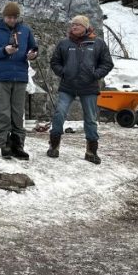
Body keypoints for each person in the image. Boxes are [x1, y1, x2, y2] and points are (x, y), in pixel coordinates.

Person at [46, 15, 114, 164]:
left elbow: (107, 63)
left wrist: (96, 74)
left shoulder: (98, 43)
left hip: (89, 87)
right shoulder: (64, 43)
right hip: (67, 86)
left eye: (77, 25)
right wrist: (63, 72)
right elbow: (55, 62)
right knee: (59, 114)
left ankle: (91, 151)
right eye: (73, 24)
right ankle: (54, 146)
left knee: (90, 119)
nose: (74, 27)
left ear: (85, 27)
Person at [0, 2, 39, 159]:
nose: (12, 20)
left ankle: (18, 145)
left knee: (18, 113)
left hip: (20, 76)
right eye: (9, 17)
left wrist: (32, 54)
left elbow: (33, 48)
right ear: (4, 16)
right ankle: (5, 144)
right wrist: (3, 50)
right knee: (3, 112)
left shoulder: (25, 30)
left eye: (14, 17)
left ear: (18, 17)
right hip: (0, 77)